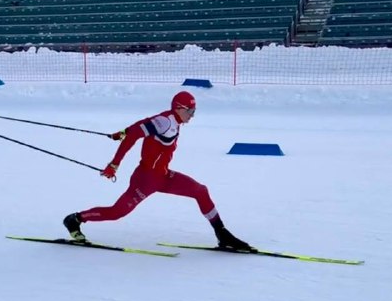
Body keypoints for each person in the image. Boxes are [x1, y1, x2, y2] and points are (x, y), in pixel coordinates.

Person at [62, 91, 253, 251]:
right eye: (191, 111)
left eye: (194, 111)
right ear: (179, 108)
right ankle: (75, 219)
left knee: (200, 191)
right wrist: (114, 164)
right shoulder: (166, 122)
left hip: (162, 176)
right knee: (117, 212)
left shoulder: (171, 120)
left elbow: (142, 123)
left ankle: (222, 234)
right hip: (145, 180)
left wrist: (124, 130)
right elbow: (136, 135)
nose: (193, 115)